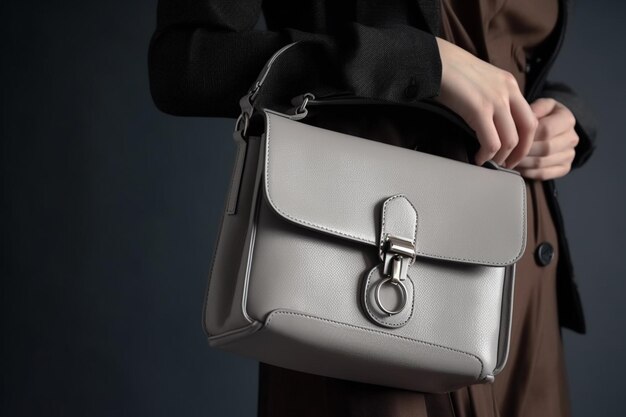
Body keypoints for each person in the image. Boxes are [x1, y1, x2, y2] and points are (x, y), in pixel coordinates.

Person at [148, 0, 597, 415]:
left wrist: (567, 116)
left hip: (514, 277)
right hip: (353, 264)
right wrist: (417, 61)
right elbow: (185, 65)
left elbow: (510, 53)